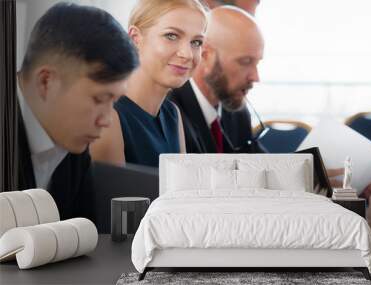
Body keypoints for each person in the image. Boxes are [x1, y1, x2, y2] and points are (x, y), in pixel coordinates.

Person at [17, 3, 139, 220]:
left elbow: (83, 232)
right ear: (46, 82)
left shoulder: (72, 138)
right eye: (100, 99)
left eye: (114, 101)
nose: (107, 120)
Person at [90, 0, 208, 167]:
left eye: (196, 42)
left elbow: (180, 192)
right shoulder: (108, 118)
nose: (187, 54)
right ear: (135, 38)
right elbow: (114, 193)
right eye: (171, 36)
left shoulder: (172, 114)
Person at [169, 6, 265, 153]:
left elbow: (262, 164)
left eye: (257, 63)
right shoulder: (171, 114)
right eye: (245, 61)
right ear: (205, 55)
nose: (255, 77)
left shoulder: (237, 111)